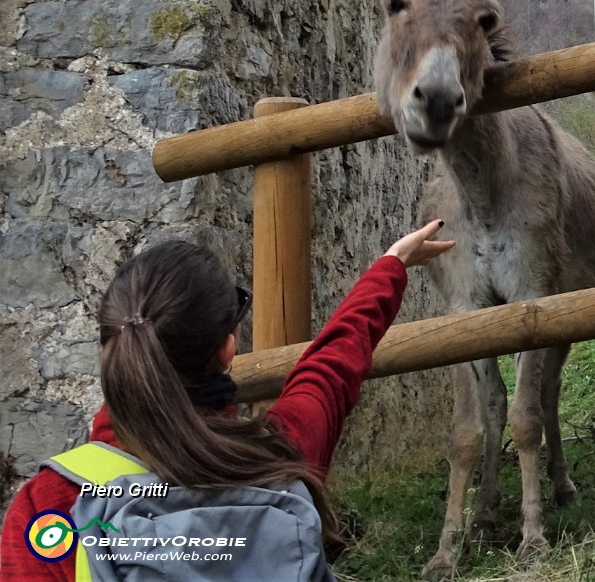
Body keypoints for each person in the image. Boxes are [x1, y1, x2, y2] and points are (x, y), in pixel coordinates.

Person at [1, 220, 454, 580]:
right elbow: (331, 367)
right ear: (228, 348)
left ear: (111, 350)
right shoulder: (278, 458)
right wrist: (391, 263)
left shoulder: (51, 503)